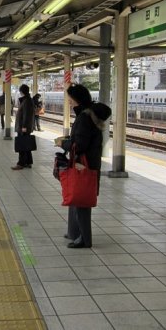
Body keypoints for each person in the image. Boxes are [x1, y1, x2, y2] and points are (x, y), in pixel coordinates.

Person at [55, 84, 111, 248]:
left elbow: (79, 144)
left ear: (77, 100)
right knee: (75, 196)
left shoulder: (84, 118)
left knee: (82, 200)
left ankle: (85, 239)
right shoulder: (88, 114)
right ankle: (74, 232)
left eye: (71, 100)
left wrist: (63, 144)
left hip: (84, 164)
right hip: (86, 162)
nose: (70, 103)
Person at [12, 84, 35, 170]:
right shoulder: (27, 100)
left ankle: (21, 164)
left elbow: (26, 115)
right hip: (24, 127)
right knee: (26, 145)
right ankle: (28, 162)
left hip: (23, 127)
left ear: (21, 92)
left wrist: (24, 127)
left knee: (22, 145)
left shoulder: (27, 101)